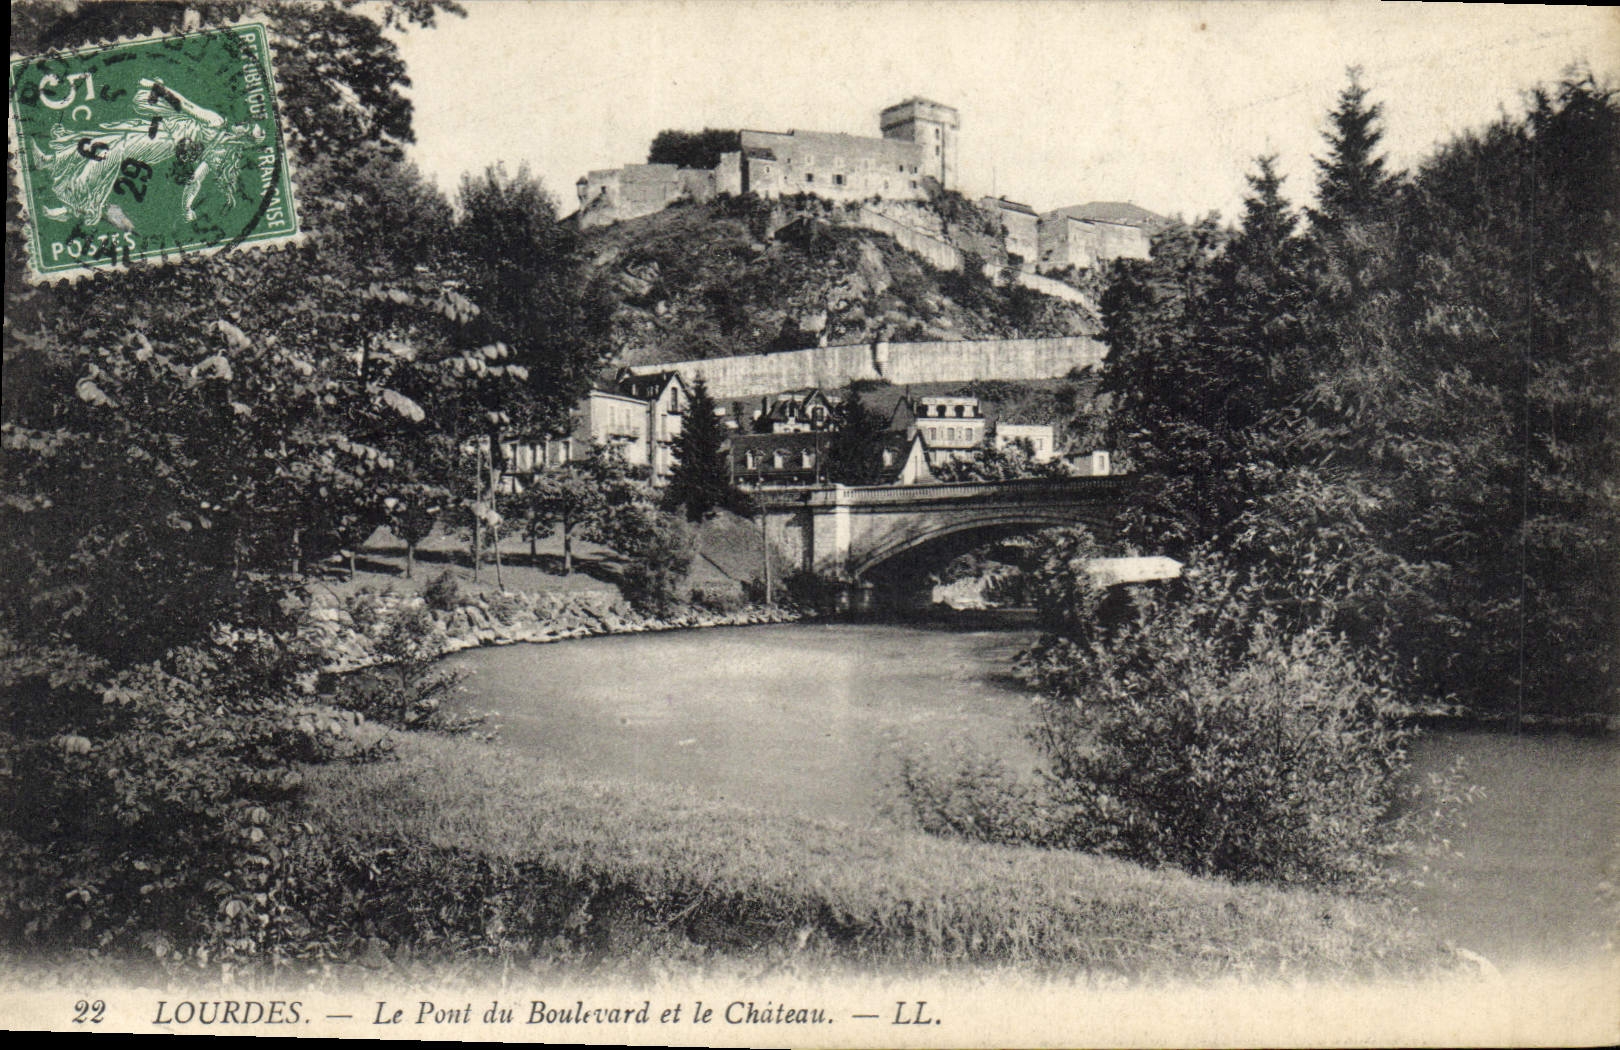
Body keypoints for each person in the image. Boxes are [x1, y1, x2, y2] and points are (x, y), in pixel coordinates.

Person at [28, 77, 265, 230]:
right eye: (244, 122)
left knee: (107, 155)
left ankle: (70, 208)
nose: (241, 124)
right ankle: (51, 161)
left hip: (160, 141)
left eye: (245, 127)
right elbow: (195, 179)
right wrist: (187, 208)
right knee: (105, 137)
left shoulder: (217, 128)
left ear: (244, 138)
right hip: (158, 130)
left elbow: (185, 106)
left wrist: (157, 87)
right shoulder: (220, 139)